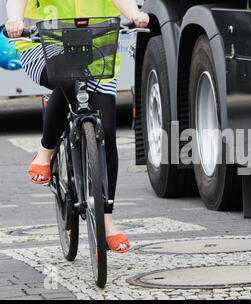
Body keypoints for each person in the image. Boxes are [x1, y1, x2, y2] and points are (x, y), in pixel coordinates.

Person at [5, 0, 149, 253]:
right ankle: (46, 150)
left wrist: (135, 14)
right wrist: (15, 20)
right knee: (68, 78)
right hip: (41, 46)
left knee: (108, 132)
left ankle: (106, 221)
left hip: (96, 52)